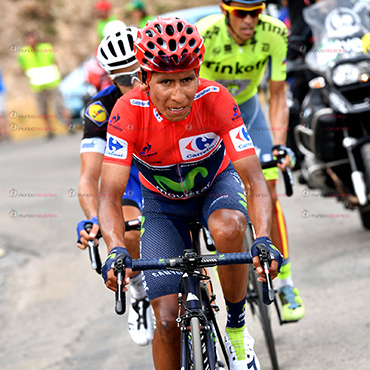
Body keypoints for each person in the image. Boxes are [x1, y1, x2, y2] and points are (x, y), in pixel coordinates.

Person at [98, 17, 283, 370]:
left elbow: (255, 181)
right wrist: (116, 248)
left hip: (215, 187)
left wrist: (261, 239)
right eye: (166, 82)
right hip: (163, 207)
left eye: (187, 79)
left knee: (229, 227)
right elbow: (108, 194)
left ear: (198, 74)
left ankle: (237, 329)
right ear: (145, 79)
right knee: (166, 322)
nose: (179, 94)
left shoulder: (216, 98)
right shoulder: (127, 112)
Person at [196, 0, 305, 322]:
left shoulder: (274, 33)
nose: (248, 20)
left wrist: (279, 145)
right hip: (210, 116)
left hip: (248, 112)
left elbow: (277, 94)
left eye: (255, 12)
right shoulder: (205, 34)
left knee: (268, 192)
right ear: (224, 11)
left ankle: (284, 280)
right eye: (240, 13)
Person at [76, 27, 154, 346]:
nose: (134, 85)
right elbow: (88, 177)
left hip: (172, 169)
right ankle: (138, 293)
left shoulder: (167, 89)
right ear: (110, 79)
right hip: (130, 174)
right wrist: (96, 218)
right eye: (123, 79)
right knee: (128, 230)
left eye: (139, 73)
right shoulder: (100, 109)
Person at [18, 31, 71, 139]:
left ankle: (69, 126)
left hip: (52, 81)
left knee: (61, 104)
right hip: (37, 84)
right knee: (43, 109)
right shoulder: (23, 53)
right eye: (28, 38)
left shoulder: (46, 47)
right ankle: (49, 130)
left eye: (32, 38)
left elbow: (55, 61)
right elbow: (22, 68)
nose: (31, 41)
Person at [0, 67, 10, 140]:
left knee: (1, 115)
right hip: (2, 91)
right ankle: (5, 133)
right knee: (2, 114)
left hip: (1, 91)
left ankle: (4, 134)